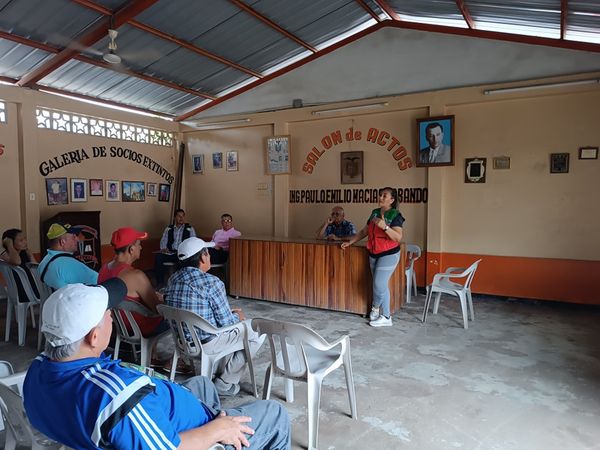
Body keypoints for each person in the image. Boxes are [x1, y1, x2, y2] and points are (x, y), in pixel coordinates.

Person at [23, 279, 290, 450]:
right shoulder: (116, 397)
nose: (112, 318)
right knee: (274, 413)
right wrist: (217, 429)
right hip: (190, 438)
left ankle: (214, 416)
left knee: (202, 384)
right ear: (94, 337)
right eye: (108, 315)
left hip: (152, 414)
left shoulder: (39, 368)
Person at [164, 237, 265, 396]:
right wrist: (238, 316)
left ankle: (216, 371)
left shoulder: (172, 279)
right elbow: (226, 324)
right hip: (208, 344)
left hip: (183, 343)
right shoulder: (212, 282)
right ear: (202, 257)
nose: (210, 256)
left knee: (233, 328)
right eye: (208, 253)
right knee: (257, 331)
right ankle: (225, 383)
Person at [341, 187, 404, 327]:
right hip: (374, 253)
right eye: (380, 195)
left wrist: (385, 227)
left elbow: (398, 237)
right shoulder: (374, 212)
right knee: (381, 285)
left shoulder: (396, 215)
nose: (380, 197)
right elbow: (364, 231)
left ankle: (376, 308)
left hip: (389, 253)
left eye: (384, 196)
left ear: (392, 200)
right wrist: (351, 242)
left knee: (378, 284)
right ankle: (386, 316)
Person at [98, 227, 168, 339]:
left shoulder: (103, 269)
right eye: (139, 244)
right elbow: (158, 308)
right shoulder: (136, 276)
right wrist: (163, 299)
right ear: (131, 249)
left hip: (120, 327)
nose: (141, 247)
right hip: (144, 328)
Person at [38, 223, 98, 290]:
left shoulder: (44, 262)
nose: (77, 239)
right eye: (73, 237)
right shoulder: (67, 263)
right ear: (62, 242)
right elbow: (99, 281)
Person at [154, 209, 196, 287]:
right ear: (174, 218)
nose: (181, 218)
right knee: (158, 257)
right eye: (179, 216)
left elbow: (193, 242)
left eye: (183, 216)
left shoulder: (189, 228)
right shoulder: (169, 229)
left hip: (183, 253)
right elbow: (163, 241)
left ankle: (181, 283)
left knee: (183, 260)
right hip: (171, 252)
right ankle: (160, 283)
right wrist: (164, 248)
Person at [1, 228, 40, 300]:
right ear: (11, 242)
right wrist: (9, 245)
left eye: (25, 239)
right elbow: (17, 262)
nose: (25, 242)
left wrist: (30, 256)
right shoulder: (5, 255)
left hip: (31, 287)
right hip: (22, 292)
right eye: (21, 240)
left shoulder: (25, 253)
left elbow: (37, 270)